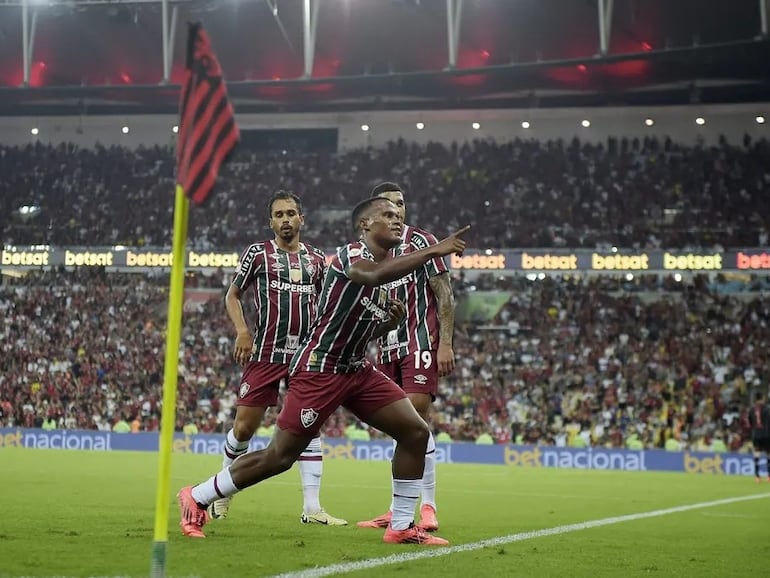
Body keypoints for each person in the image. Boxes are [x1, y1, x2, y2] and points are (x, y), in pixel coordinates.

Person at [177, 197, 469, 545]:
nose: (396, 221)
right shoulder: (350, 256)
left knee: (415, 433)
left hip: (358, 371)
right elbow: (372, 274)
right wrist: (435, 251)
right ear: (365, 225)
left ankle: (402, 526)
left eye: (398, 215)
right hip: (320, 369)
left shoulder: (383, 275)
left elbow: (355, 327)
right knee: (280, 457)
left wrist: (386, 324)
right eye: (387, 215)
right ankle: (197, 496)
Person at [209, 190, 346, 526]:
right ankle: (222, 492)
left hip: (305, 356)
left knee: (308, 424)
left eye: (291, 213)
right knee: (244, 427)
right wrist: (243, 331)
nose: (286, 220)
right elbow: (233, 294)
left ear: (302, 218)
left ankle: (312, 508)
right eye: (279, 215)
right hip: (266, 353)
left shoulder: (315, 259)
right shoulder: (258, 254)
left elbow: (327, 303)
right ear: (270, 221)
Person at [357, 182, 455, 532]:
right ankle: (397, 508)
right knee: (401, 429)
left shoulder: (423, 242)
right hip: (386, 348)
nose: (398, 211)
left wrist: (445, 343)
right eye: (390, 207)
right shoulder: (373, 251)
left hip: (420, 343)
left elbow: (444, 293)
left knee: (415, 420)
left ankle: (428, 506)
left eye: (402, 204)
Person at [748, 393, 770, 482]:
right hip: (766, 434)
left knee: (757, 454)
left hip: (755, 435)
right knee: (769, 454)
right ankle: (769, 476)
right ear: (762, 398)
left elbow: (750, 422)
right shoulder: (767, 409)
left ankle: (757, 476)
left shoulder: (751, 409)